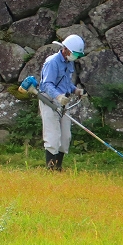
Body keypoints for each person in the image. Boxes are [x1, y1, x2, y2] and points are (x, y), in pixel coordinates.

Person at [39, 34, 86, 172]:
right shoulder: (52, 62)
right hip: (49, 100)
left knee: (65, 136)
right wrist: (58, 97)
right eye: (75, 54)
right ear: (66, 49)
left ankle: (58, 167)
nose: (76, 57)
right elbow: (47, 84)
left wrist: (75, 90)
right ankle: (51, 169)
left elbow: (65, 83)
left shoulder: (69, 62)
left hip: (63, 101)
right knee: (53, 135)